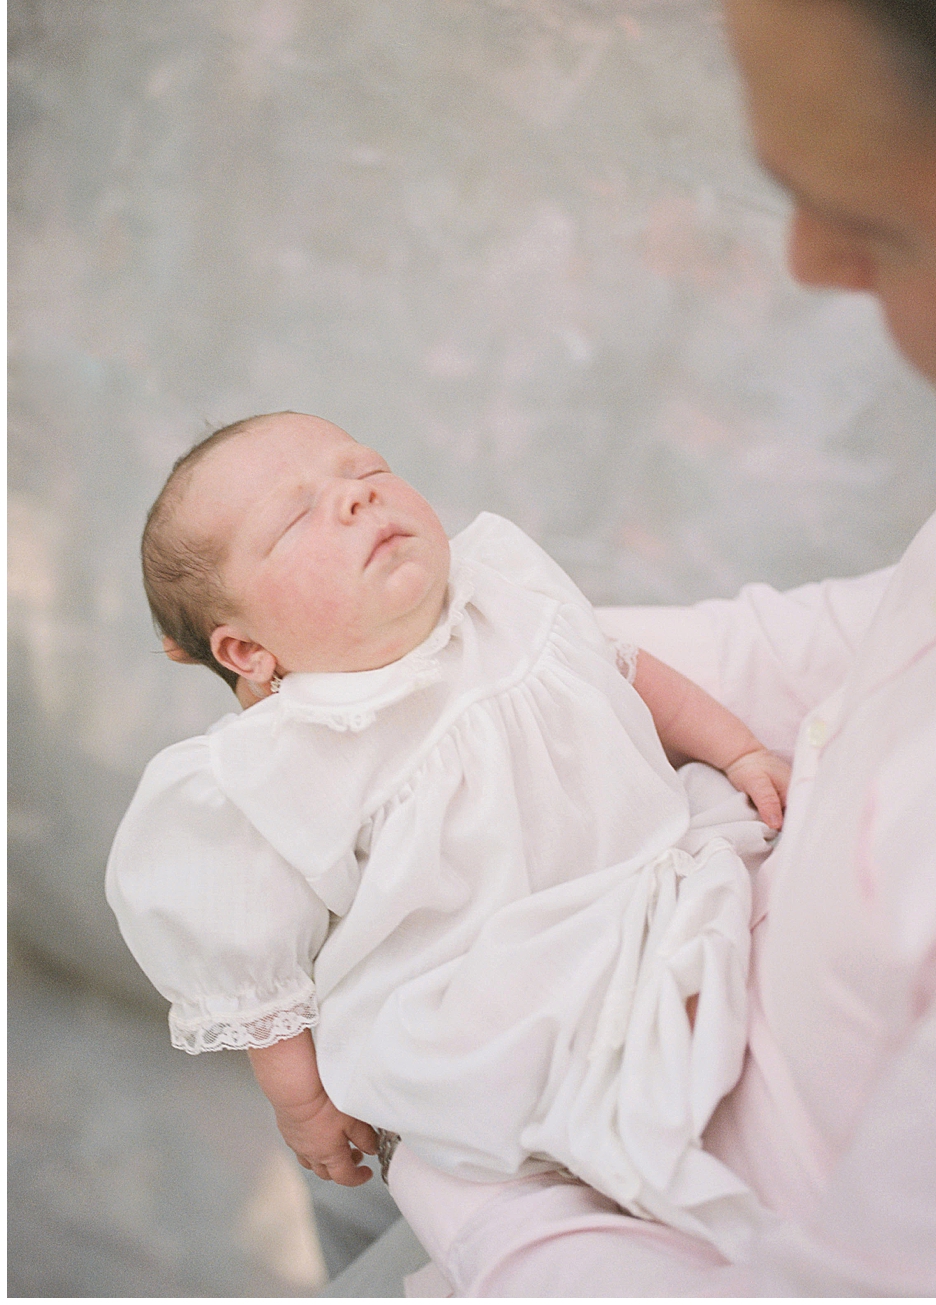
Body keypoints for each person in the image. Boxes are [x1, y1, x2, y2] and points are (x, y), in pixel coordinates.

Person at [378, 0, 936, 1296]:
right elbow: (872, 631)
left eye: (874, 220)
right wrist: (488, 661)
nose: (810, 263)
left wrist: (475, 1200)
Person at [106, 409, 792, 1255]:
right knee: (472, 1129)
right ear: (247, 650)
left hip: (643, 880)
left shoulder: (503, 595)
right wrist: (306, 1105)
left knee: (726, 999)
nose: (357, 499)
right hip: (469, 988)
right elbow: (260, 982)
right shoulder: (276, 768)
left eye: (367, 470)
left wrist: (741, 748)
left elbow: (632, 671)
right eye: (297, 515)